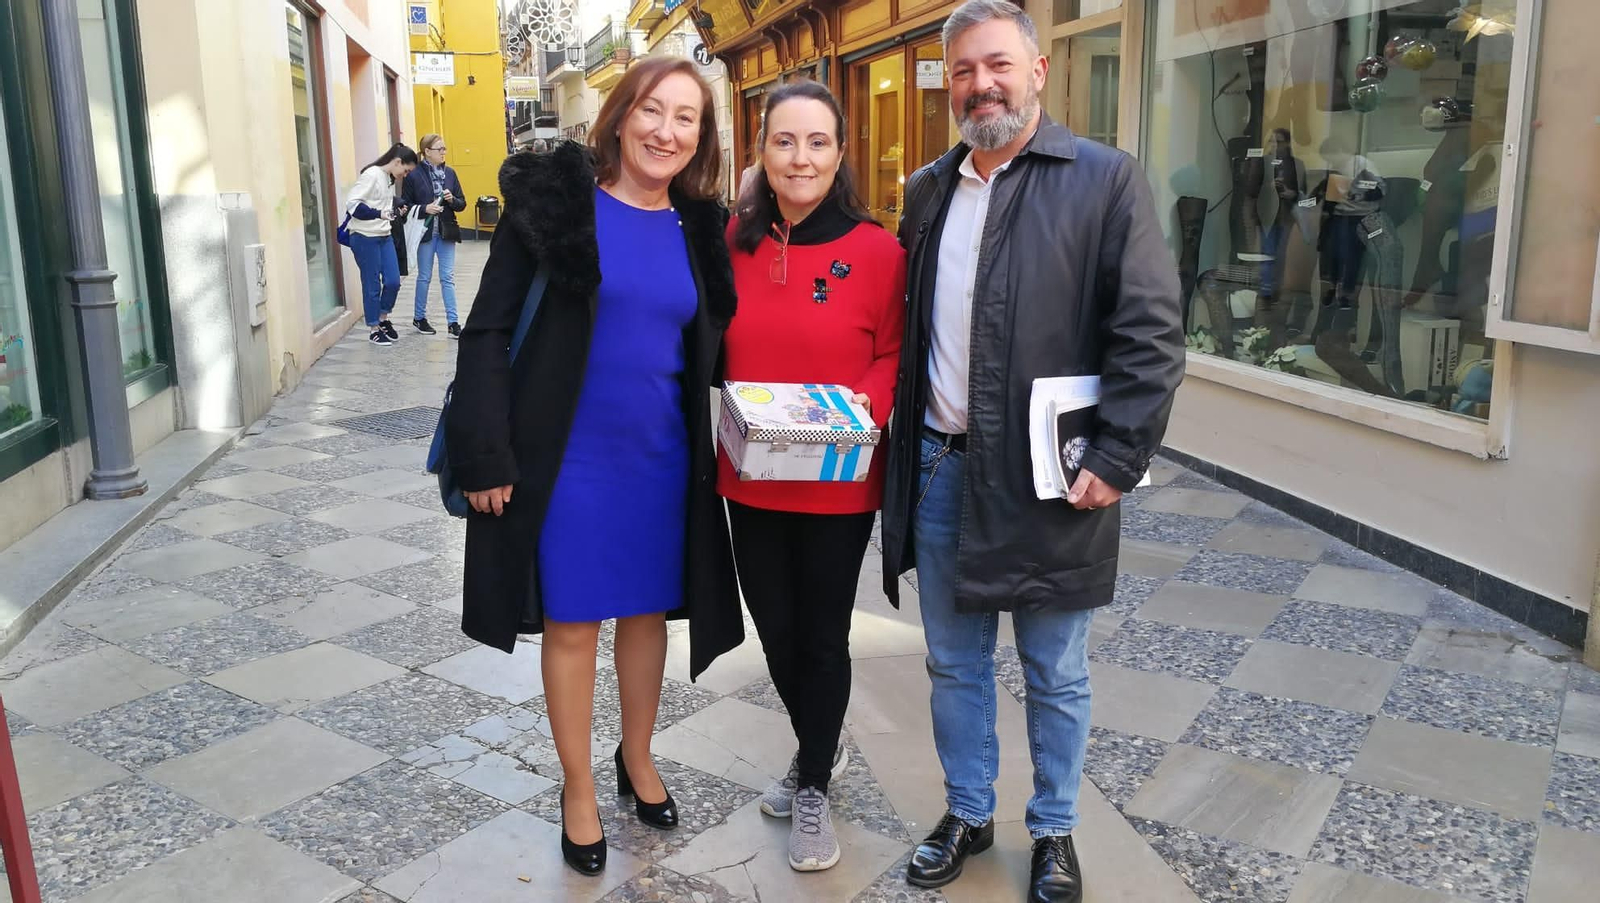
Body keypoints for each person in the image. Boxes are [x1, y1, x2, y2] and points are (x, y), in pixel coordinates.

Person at [877, 2, 1184, 900]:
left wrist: (1119, 454)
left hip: (1054, 476)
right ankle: (969, 812)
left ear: (1038, 70)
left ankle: (1054, 829)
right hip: (938, 467)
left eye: (999, 65)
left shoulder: (1105, 182)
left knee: (1054, 669)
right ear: (949, 84)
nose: (984, 85)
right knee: (953, 661)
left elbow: (1152, 335)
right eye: (965, 70)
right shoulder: (929, 191)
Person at [443, 56, 741, 877]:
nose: (666, 131)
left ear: (701, 138)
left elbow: (714, 344)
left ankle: (637, 756)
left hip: (661, 457)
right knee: (574, 624)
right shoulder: (553, 211)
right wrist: (486, 452)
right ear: (618, 116)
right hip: (566, 458)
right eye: (652, 110)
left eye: (687, 118)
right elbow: (487, 332)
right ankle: (578, 786)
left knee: (646, 618)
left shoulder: (699, 225)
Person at [721, 80, 906, 873]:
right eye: (784, 141)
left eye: (817, 142)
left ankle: (814, 786)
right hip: (751, 478)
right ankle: (812, 750)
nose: (800, 158)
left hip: (836, 476)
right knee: (777, 632)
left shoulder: (879, 251)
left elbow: (896, 351)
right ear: (761, 152)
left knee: (824, 637)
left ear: (840, 154)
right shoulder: (731, 240)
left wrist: (854, 409)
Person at [344, 143, 417, 346]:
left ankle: (383, 319)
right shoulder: (371, 175)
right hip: (364, 237)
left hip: (384, 235)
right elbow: (353, 204)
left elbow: (381, 200)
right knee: (372, 284)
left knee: (394, 280)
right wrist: (379, 214)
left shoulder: (388, 179)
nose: (405, 175)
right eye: (406, 170)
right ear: (397, 162)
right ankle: (374, 328)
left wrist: (397, 205)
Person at [403, 133, 469, 337]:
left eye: (444, 149)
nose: (443, 152)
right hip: (425, 233)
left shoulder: (450, 173)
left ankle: (453, 322)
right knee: (424, 276)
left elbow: (462, 203)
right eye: (440, 149)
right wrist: (425, 208)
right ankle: (419, 317)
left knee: (447, 277)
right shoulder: (414, 176)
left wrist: (451, 200)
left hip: (446, 231)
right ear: (427, 152)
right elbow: (405, 205)